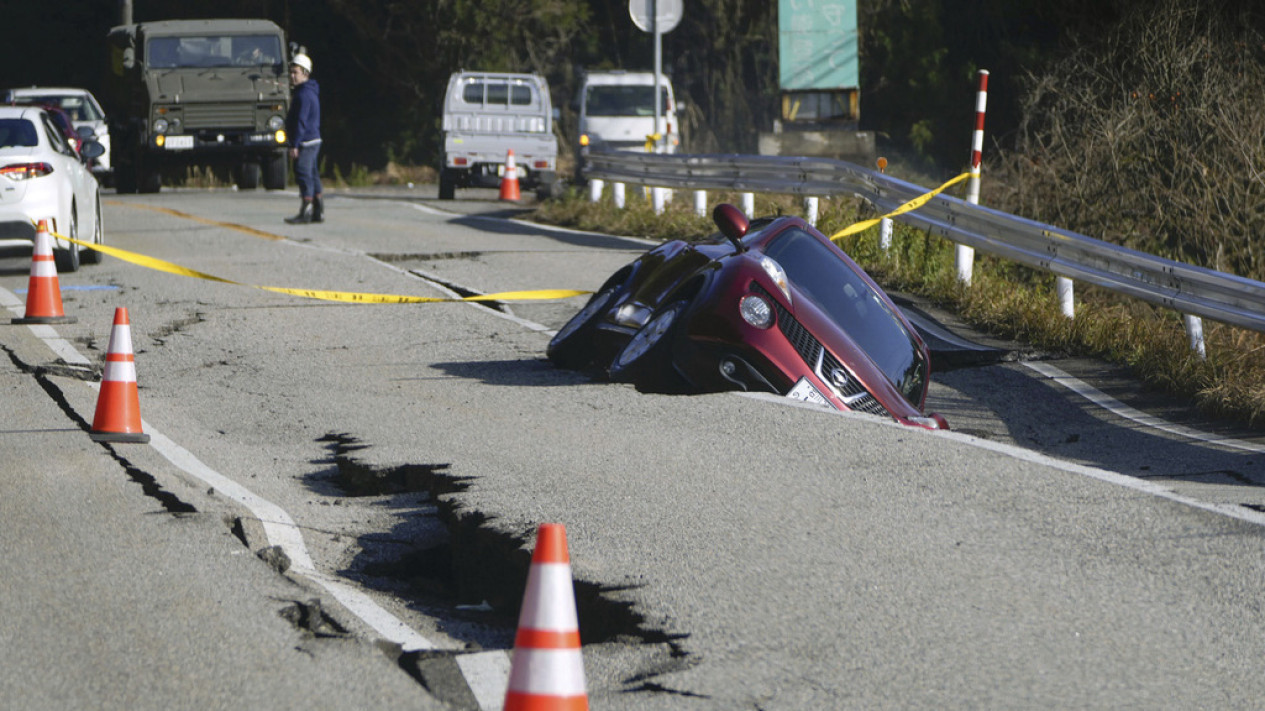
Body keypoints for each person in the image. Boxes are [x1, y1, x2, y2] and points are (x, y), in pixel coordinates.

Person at [285, 51, 323, 224]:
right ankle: (318, 210)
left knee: (303, 172)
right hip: (313, 139)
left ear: (305, 73)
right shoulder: (308, 91)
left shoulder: (303, 95)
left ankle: (306, 210)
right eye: (291, 72)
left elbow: (301, 121)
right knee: (313, 174)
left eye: (296, 73)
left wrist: (294, 144)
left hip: (306, 141)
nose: (292, 76)